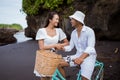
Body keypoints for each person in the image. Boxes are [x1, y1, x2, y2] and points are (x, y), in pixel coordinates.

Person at [58, 11, 97, 80]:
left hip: (89, 57)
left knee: (84, 78)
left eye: (72, 19)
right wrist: (61, 48)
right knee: (59, 64)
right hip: (77, 56)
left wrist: (81, 58)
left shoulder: (89, 31)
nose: (70, 21)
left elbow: (91, 48)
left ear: (78, 21)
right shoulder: (73, 33)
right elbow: (70, 47)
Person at [34, 11, 69, 80]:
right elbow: (41, 47)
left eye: (58, 19)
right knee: (45, 77)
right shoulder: (42, 31)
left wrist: (59, 45)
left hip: (55, 56)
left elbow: (67, 43)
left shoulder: (59, 31)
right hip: (45, 58)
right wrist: (55, 45)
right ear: (50, 20)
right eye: (56, 19)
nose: (58, 21)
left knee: (61, 68)